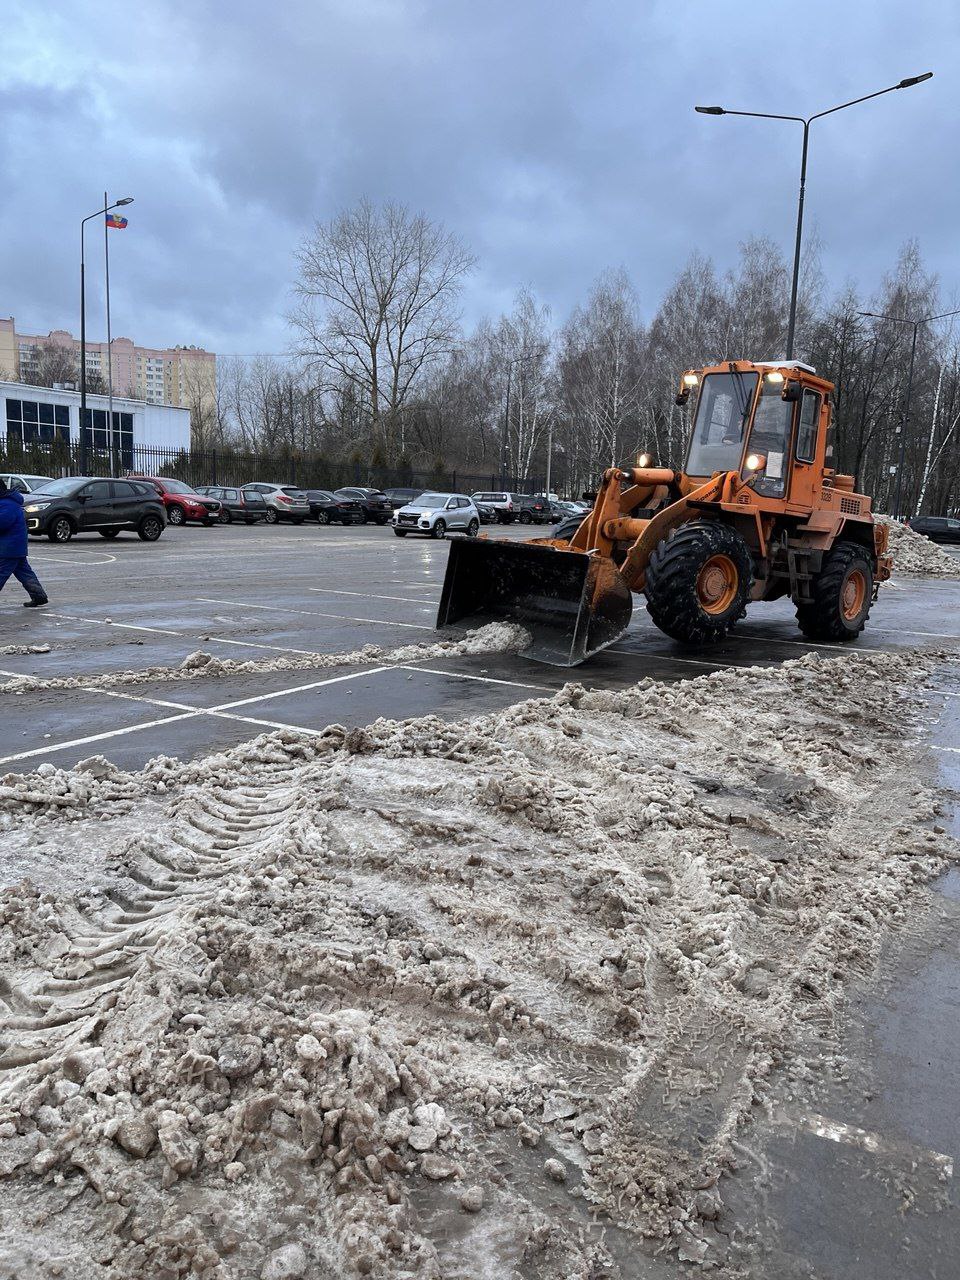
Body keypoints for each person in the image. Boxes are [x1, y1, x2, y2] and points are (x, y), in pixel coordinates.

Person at [0, 478, 48, 607]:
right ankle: (39, 596)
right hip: (13, 547)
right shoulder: (7, 503)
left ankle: (38, 596)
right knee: (24, 572)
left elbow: (3, 523)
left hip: (9, 548)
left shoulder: (7, 504)